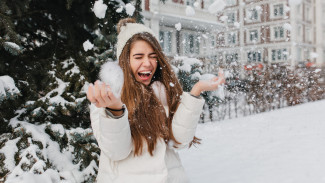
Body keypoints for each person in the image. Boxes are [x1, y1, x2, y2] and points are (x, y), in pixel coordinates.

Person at [87, 18, 225, 183]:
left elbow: (179, 141)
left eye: (153, 56)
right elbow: (117, 152)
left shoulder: (163, 93)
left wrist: (196, 92)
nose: (148, 63)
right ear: (125, 60)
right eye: (138, 57)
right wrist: (115, 110)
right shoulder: (107, 99)